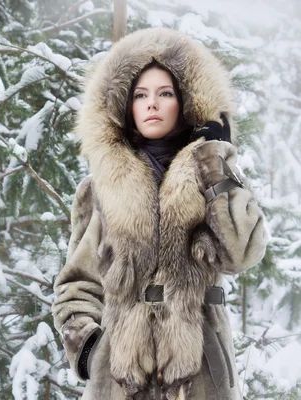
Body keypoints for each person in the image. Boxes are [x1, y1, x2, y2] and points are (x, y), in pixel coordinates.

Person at [51, 28, 269, 400]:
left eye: (165, 93)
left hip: (201, 377)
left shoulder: (211, 172)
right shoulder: (100, 188)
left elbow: (244, 253)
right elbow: (76, 286)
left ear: (185, 102)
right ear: (125, 105)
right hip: (118, 383)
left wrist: (216, 158)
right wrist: (90, 351)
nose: (152, 104)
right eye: (140, 95)